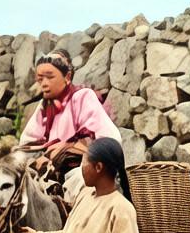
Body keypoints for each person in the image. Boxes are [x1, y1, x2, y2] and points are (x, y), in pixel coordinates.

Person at [19, 48, 121, 201]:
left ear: (67, 76)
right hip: (48, 171)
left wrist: (73, 148)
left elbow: (111, 139)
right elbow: (26, 144)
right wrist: (43, 158)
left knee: (81, 181)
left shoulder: (83, 97)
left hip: (80, 169)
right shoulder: (44, 107)